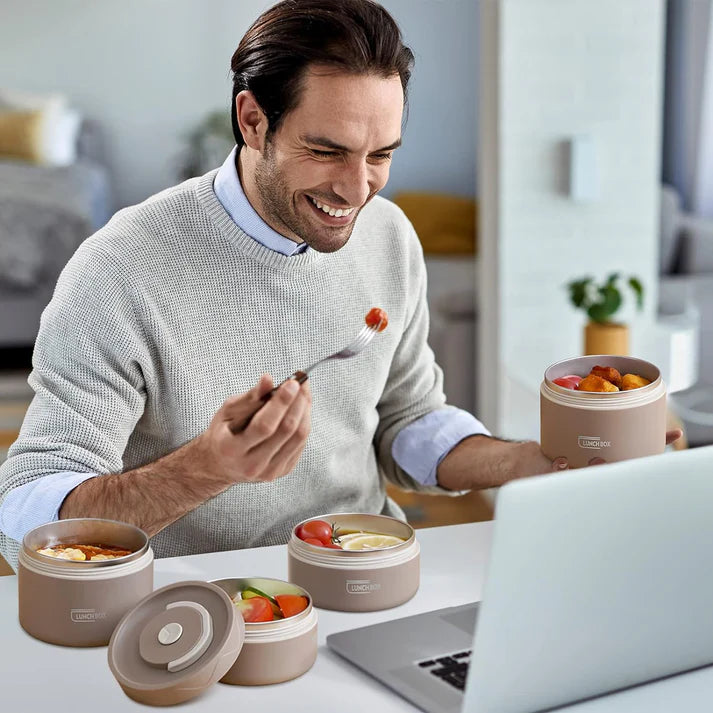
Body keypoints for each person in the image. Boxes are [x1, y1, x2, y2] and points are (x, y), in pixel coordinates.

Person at [0, 0, 678, 568]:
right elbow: (25, 505)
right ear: (252, 120)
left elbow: (409, 418)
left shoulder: (387, 235)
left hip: (365, 568)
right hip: (201, 604)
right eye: (326, 152)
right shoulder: (121, 268)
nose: (357, 191)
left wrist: (528, 462)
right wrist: (203, 468)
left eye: (380, 155)